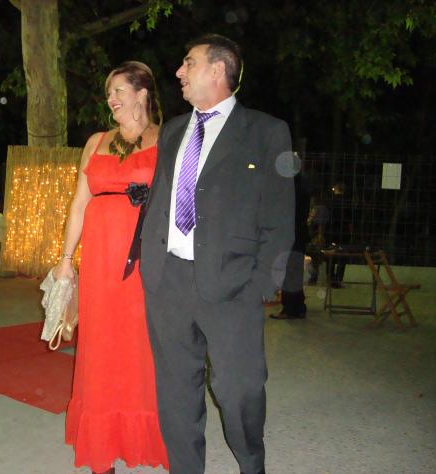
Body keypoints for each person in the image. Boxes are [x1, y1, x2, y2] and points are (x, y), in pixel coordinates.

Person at [140, 34, 295, 474]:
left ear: (217, 70)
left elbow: (280, 217)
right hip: (168, 280)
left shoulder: (267, 132)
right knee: (176, 392)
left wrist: (263, 283)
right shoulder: (173, 131)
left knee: (238, 389)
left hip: (232, 285)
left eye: (188, 63)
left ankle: (251, 464)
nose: (179, 72)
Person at [53, 61, 168, 474]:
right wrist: (66, 260)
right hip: (100, 263)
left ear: (142, 93)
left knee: (140, 349)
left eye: (118, 90)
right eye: (108, 93)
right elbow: (79, 203)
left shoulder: (167, 138)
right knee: (99, 348)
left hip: (144, 260)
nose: (111, 100)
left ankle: (143, 438)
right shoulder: (97, 141)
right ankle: (102, 449)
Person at [270, 169, 311, 319]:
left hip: (290, 235)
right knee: (295, 272)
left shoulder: (291, 189)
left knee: (288, 272)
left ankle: (289, 308)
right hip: (299, 234)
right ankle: (299, 307)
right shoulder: (302, 186)